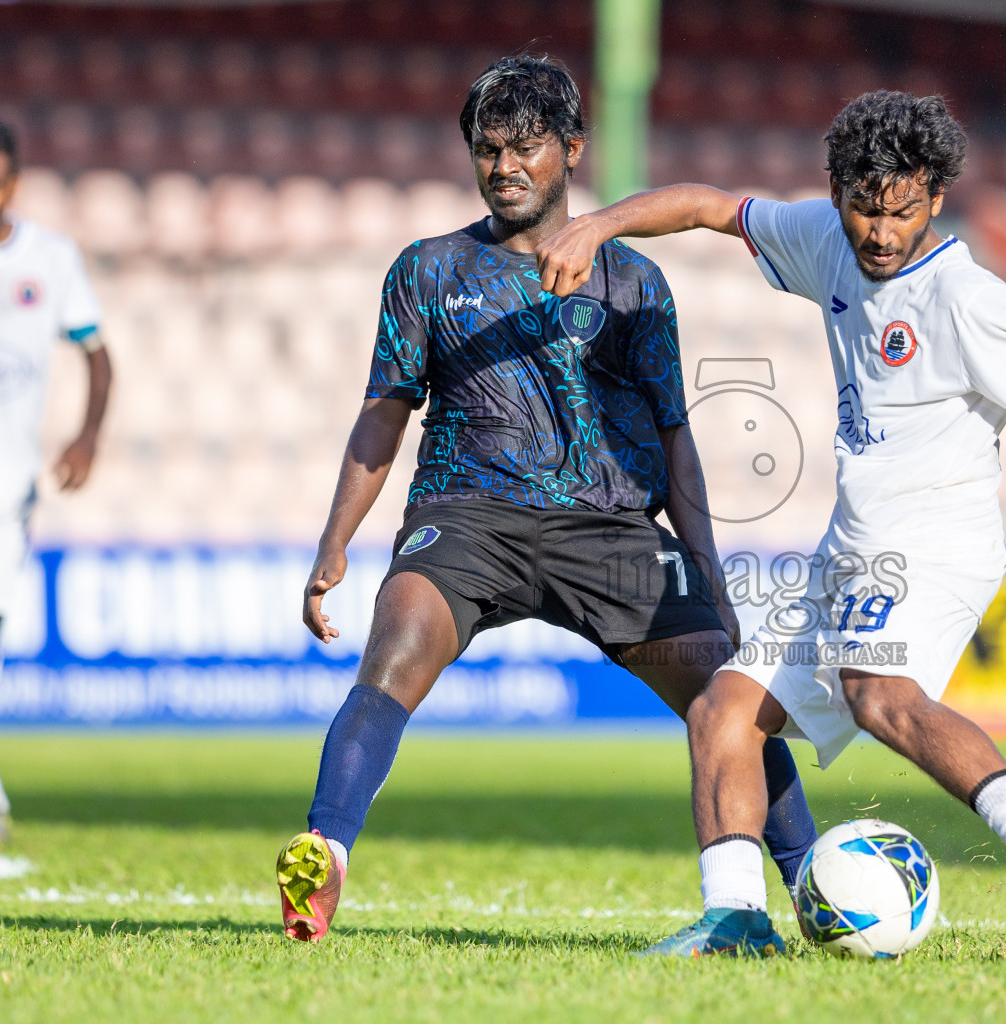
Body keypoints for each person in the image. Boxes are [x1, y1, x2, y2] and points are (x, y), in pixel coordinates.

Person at [536, 91, 1006, 960]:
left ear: (936, 200)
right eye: (863, 209)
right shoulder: (823, 240)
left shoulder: (968, 300)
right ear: (837, 191)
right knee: (724, 710)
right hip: (852, 550)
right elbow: (707, 207)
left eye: (903, 211)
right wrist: (596, 227)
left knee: (877, 694)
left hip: (938, 543)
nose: (880, 232)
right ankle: (734, 917)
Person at [274, 56, 818, 943]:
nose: (503, 168)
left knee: (729, 702)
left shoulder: (635, 282)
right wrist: (337, 539)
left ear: (570, 150)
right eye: (487, 150)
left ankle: (816, 888)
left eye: (524, 148)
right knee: (390, 660)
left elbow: (676, 436)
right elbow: (383, 414)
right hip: (466, 517)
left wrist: (709, 572)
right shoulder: (427, 270)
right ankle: (323, 851)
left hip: (610, 531)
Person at [0, 117, 114, 851]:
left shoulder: (49, 258)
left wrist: (88, 433)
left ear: (14, 184)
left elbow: (97, 355)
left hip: (2, 486)